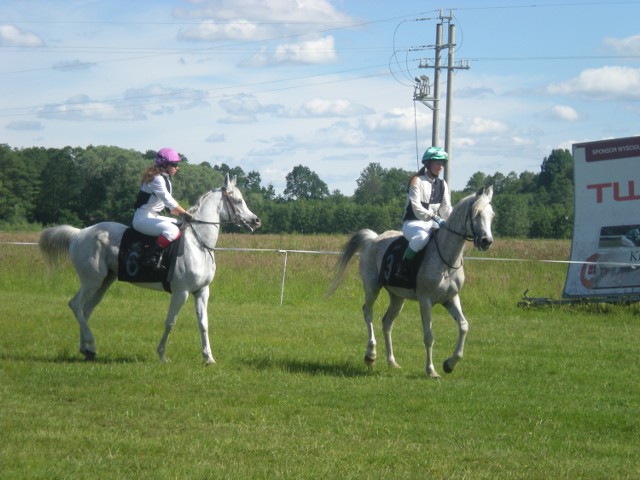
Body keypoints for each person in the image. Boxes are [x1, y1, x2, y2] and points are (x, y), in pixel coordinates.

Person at [395, 146, 452, 282]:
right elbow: (417, 209)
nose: (441, 166)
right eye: (438, 163)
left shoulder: (443, 184)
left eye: (442, 163)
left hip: (432, 224)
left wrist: (454, 221)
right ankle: (403, 267)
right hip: (413, 223)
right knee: (422, 237)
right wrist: (435, 217)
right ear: (428, 164)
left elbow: (446, 209)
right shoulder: (416, 181)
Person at [132, 147, 193, 270]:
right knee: (172, 231)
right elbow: (169, 201)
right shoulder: (156, 179)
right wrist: (186, 213)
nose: (177, 167)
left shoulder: (165, 179)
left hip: (153, 216)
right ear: (165, 164)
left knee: (181, 224)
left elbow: (170, 209)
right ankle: (149, 257)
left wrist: (185, 215)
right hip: (142, 218)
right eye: (175, 164)